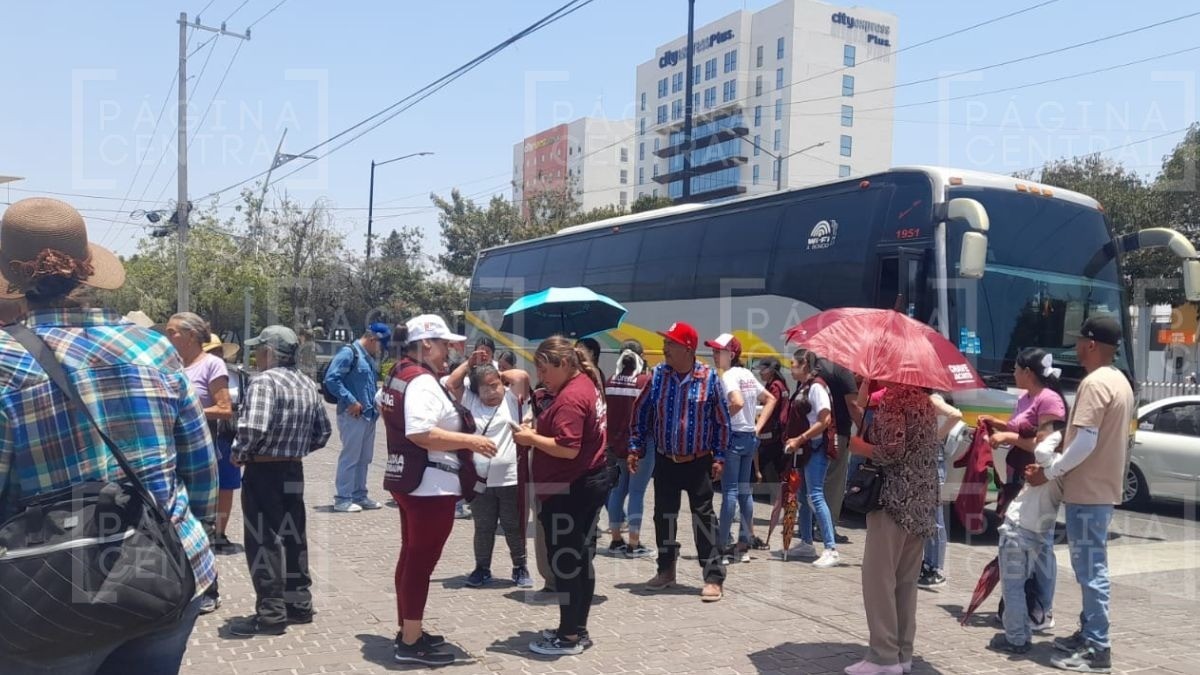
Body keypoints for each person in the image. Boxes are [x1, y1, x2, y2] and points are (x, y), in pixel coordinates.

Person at [0, 197, 215, 672]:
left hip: (44, 596)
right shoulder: (154, 348)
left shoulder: (5, 362)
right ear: (85, 272)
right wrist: (186, 539)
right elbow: (200, 471)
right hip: (163, 578)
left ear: (13, 281)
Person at [380, 314, 495, 667]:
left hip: (410, 480)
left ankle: (408, 629)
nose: (450, 350)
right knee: (420, 563)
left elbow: (430, 393)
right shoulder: (422, 383)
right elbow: (420, 431)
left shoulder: (401, 373)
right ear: (426, 344)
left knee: (411, 558)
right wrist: (471, 441)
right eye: (445, 344)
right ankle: (410, 642)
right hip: (430, 486)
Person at [1027, 316, 1134, 673]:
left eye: (1078, 342)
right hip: (1100, 490)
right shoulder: (1119, 381)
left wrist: (1053, 469)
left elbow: (1085, 440)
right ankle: (1089, 632)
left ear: (1091, 344)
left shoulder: (1095, 383)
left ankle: (1097, 647)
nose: (1074, 348)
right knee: (1090, 567)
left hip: (1088, 492)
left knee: (1091, 571)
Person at [229, 326, 331, 638]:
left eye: (259, 350)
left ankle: (271, 613)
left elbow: (254, 427)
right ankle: (299, 605)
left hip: (263, 470)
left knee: (263, 539)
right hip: (292, 469)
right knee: (292, 535)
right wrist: (295, 449)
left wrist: (239, 453)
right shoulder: (305, 382)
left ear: (270, 353)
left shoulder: (265, 382)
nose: (255, 356)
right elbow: (323, 432)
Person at [513, 336, 611, 656]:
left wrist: (531, 437)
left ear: (565, 363)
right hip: (584, 483)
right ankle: (575, 628)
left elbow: (568, 449)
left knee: (568, 563)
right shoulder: (583, 383)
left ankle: (569, 636)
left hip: (570, 488)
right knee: (579, 560)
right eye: (537, 369)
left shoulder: (571, 397)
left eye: (545, 369)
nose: (541, 375)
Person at [629, 321, 729, 602]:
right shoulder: (659, 375)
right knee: (664, 516)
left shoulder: (709, 379)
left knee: (704, 519)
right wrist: (635, 447)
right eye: (665, 343)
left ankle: (712, 577)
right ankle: (666, 570)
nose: (664, 348)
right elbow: (641, 413)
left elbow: (722, 421)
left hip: (698, 461)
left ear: (688, 348)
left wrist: (719, 457)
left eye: (670, 344)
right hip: (666, 459)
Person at [845, 382, 939, 675]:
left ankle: (883, 657)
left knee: (878, 579)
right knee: (905, 581)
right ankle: (902, 653)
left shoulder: (893, 402)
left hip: (893, 501)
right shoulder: (926, 402)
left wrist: (861, 447)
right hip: (920, 501)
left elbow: (891, 451)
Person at [977, 347, 1068, 628]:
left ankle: (1042, 608)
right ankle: (1021, 606)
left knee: (1041, 544)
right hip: (1019, 477)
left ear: (1028, 372)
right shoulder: (1027, 398)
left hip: (1039, 480)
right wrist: (999, 425)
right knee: (1019, 541)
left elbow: (1043, 443)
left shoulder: (1049, 399)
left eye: (1016, 369)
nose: (1013, 373)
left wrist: (1007, 436)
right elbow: (1021, 429)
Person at [444, 352, 534, 589]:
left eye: (495, 386)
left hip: (510, 478)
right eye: (485, 389)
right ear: (476, 391)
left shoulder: (512, 399)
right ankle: (482, 568)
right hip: (479, 480)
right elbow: (451, 383)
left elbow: (522, 375)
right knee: (483, 526)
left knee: (513, 525)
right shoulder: (471, 401)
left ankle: (520, 567)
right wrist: (470, 364)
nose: (491, 392)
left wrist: (495, 371)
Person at [165, 313, 236, 615]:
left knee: (200, 522)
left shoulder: (212, 364)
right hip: (174, 453)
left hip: (201, 453)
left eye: (172, 332)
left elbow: (224, 409)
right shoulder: (173, 365)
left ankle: (211, 590)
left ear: (190, 336)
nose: (166, 337)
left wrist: (186, 410)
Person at [989, 419, 1066, 656]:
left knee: (1012, 588)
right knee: (1018, 587)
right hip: (1034, 534)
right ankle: (1021, 632)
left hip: (1016, 530)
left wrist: (1061, 433)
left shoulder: (1049, 462)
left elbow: (1043, 449)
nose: (1037, 440)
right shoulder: (1064, 468)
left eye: (1041, 435)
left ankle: (1016, 638)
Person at [706, 333, 777, 564]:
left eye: (719, 351)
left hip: (733, 436)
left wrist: (720, 422)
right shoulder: (747, 374)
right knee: (745, 492)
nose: (715, 355)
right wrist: (756, 427)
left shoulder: (728, 377)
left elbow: (735, 402)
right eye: (714, 351)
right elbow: (770, 399)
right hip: (748, 437)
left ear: (732, 354)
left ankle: (723, 546)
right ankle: (743, 545)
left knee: (730, 493)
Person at [326, 323, 390, 513]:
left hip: (368, 415)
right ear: (372, 339)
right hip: (352, 414)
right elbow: (331, 379)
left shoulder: (366, 356)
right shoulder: (349, 353)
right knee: (350, 457)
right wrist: (351, 400)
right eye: (381, 344)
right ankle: (342, 498)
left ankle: (359, 495)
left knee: (364, 458)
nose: (381, 349)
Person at [784, 349, 840, 569]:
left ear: (804, 365)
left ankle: (831, 548)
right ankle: (806, 542)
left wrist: (800, 438)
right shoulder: (804, 387)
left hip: (815, 448)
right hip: (805, 449)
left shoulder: (817, 387)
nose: (791, 368)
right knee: (802, 495)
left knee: (815, 495)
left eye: (793, 364)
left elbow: (825, 419)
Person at [604, 339, 655, 558]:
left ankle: (616, 540)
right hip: (640, 446)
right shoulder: (644, 381)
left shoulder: (609, 381)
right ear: (640, 357)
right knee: (636, 492)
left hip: (615, 446)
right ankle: (634, 544)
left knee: (617, 491)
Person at [814, 355, 862, 543]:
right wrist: (865, 429)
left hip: (814, 432)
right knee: (834, 483)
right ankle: (826, 528)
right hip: (837, 433)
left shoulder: (817, 367)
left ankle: (808, 527)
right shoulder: (843, 371)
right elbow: (852, 405)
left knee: (816, 481)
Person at [919, 393, 964, 589]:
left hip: (932, 463)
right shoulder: (931, 398)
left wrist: (935, 437)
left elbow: (956, 414)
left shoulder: (934, 398)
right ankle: (928, 564)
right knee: (929, 516)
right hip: (928, 462)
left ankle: (935, 569)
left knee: (935, 518)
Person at [755, 356, 790, 521]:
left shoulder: (775, 387)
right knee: (775, 476)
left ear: (771, 370)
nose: (760, 372)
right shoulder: (780, 385)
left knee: (771, 476)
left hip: (772, 439)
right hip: (775, 438)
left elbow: (771, 410)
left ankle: (781, 510)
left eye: (763, 369)